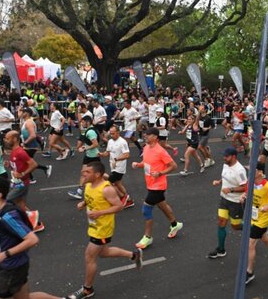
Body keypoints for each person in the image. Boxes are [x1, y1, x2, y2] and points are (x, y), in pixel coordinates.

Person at [67, 162, 142, 299]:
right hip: (94, 226)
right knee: (104, 252)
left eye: (87, 172)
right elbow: (92, 198)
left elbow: (119, 206)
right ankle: (133, 255)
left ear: (97, 174)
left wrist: (100, 213)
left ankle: (87, 290)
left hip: (103, 229)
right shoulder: (89, 184)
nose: (83, 174)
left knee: (90, 256)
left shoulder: (107, 189)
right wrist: (83, 203)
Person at [0, 177, 63, 299]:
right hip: (17, 264)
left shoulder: (8, 217)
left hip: (12, 267)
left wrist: (4, 254)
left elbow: (32, 239)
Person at [131, 127, 183, 249]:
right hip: (150, 183)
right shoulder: (146, 147)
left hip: (158, 185)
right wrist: (139, 165)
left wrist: (160, 173)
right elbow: (147, 163)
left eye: (148, 135)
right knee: (162, 205)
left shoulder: (161, 151)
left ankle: (147, 238)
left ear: (155, 137)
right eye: (145, 134)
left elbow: (173, 166)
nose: (145, 136)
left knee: (146, 209)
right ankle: (175, 224)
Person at [241, 162, 268, 285]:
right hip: (253, 216)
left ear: (260, 172)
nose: (249, 172)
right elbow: (247, 192)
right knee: (265, 238)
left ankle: (249, 272)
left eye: (252, 170)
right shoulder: (250, 183)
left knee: (251, 244)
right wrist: (243, 196)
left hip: (262, 219)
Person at [208, 146, 247, 259]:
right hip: (224, 199)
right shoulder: (226, 164)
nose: (224, 158)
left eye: (227, 156)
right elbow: (226, 177)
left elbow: (245, 187)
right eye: (224, 155)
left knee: (235, 226)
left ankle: (252, 229)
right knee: (221, 222)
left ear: (234, 157)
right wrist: (219, 182)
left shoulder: (240, 170)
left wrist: (231, 189)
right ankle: (221, 249)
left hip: (235, 202)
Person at [3, 131, 44, 233]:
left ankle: (11, 224)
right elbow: (18, 166)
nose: (5, 141)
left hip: (21, 184)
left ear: (15, 139)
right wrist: (10, 164)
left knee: (6, 201)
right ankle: (37, 224)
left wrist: (22, 174)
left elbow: (33, 164)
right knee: (20, 204)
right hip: (16, 182)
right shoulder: (13, 151)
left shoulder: (20, 152)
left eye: (8, 138)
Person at [98, 125, 134, 209]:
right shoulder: (110, 141)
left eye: (113, 133)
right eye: (110, 133)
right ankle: (128, 200)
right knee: (118, 183)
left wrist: (116, 159)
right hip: (113, 166)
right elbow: (107, 152)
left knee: (109, 183)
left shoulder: (123, 142)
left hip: (119, 167)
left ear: (118, 133)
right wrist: (101, 154)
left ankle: (123, 197)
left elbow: (127, 155)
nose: (111, 135)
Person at [67, 116, 100, 200]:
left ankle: (112, 180)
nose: (81, 123)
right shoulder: (90, 130)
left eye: (83, 122)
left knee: (99, 175)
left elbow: (95, 144)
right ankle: (79, 192)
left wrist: (85, 148)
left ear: (87, 122)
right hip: (89, 155)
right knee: (84, 172)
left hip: (93, 156)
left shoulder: (91, 132)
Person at [18, 107, 52, 183]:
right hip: (28, 146)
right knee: (26, 162)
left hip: (30, 147)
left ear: (27, 113)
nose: (21, 113)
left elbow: (33, 135)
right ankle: (32, 177)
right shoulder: (26, 121)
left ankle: (43, 169)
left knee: (26, 163)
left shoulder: (29, 122)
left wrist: (24, 143)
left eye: (23, 112)